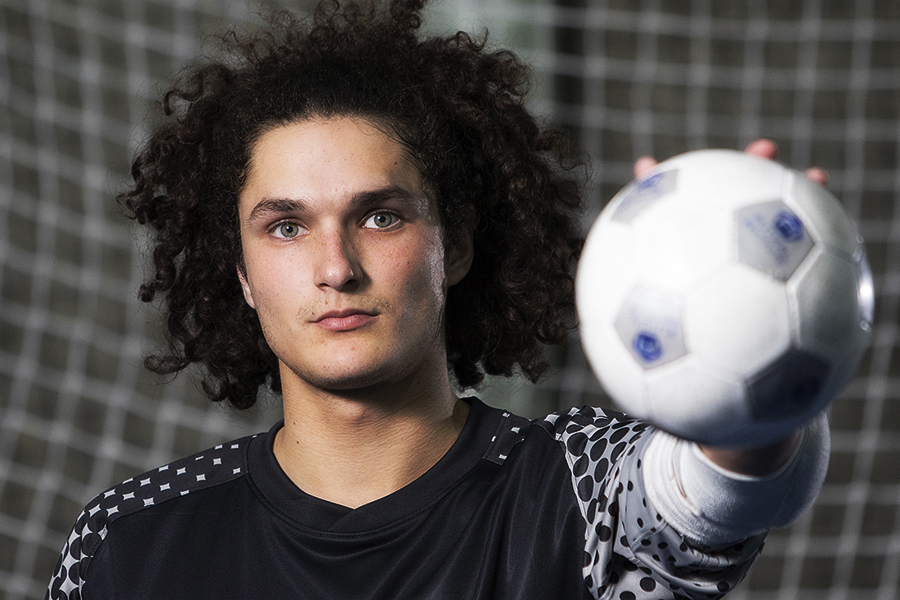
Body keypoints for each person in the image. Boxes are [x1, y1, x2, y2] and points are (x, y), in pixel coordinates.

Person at [46, 1, 830, 598]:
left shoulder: (575, 488)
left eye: (379, 216)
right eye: (285, 227)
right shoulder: (128, 540)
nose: (336, 267)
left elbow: (712, 498)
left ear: (454, 245)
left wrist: (758, 347)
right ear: (242, 273)